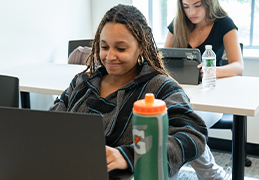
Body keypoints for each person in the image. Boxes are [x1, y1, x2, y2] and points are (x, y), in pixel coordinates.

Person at [50, 4, 207, 179]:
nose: (110, 56)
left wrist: (131, 156)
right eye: (104, 47)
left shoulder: (161, 88)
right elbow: (52, 123)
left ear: (141, 47)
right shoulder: (82, 83)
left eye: (121, 48)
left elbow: (193, 136)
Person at [164, 0, 244, 179]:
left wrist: (211, 70)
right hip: (179, 95)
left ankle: (208, 175)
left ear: (209, 3)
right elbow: (163, 59)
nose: (191, 11)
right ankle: (213, 175)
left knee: (182, 124)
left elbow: (238, 66)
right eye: (185, 6)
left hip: (212, 98)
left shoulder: (224, 23)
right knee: (176, 125)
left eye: (197, 5)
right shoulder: (177, 24)